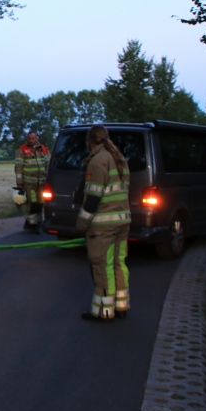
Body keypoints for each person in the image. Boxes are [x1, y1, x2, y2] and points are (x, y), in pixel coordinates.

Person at [76, 125, 131, 322]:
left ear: (90, 141)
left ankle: (103, 311)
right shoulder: (119, 159)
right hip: (122, 222)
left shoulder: (98, 161)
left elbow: (92, 198)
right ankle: (121, 305)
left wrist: (82, 224)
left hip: (103, 226)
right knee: (118, 263)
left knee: (102, 266)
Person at [14, 131, 50, 232]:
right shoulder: (22, 150)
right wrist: (19, 183)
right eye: (29, 138)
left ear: (36, 138)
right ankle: (33, 225)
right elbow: (18, 168)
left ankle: (34, 223)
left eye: (33, 139)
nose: (31, 140)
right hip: (29, 183)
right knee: (32, 203)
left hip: (41, 182)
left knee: (40, 203)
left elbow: (47, 164)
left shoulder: (43, 149)